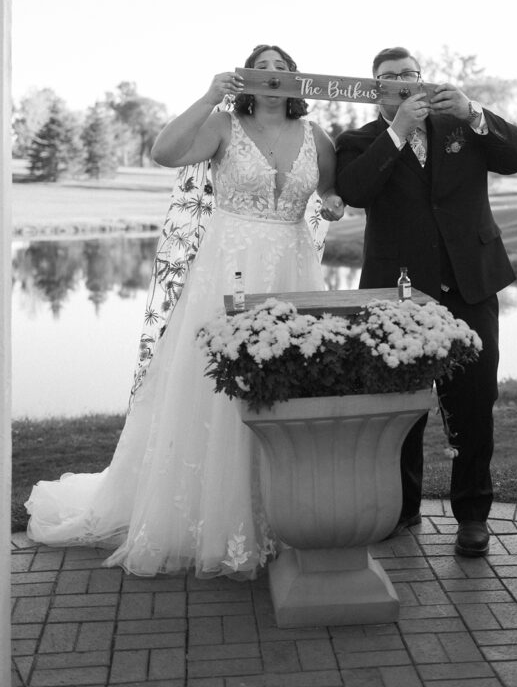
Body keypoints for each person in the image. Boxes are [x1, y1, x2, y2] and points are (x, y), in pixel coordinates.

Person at [26, 44, 344, 579]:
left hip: (292, 272)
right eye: (260, 68)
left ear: (296, 81)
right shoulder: (223, 124)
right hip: (227, 270)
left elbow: (331, 192)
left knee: (286, 387)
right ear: (245, 79)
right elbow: (165, 152)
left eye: (281, 69)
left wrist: (333, 203)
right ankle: (209, 518)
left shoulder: (318, 137)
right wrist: (207, 95)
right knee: (215, 388)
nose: (271, 76)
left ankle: (282, 514)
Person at [335, 47, 517, 556]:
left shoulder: (461, 123)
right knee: (401, 404)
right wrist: (397, 131)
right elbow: (356, 192)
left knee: (474, 402)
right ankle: (403, 508)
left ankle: (472, 515)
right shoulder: (358, 141)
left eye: (409, 74)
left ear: (421, 79)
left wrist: (472, 112)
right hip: (398, 290)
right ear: (375, 87)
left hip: (472, 281)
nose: (401, 82)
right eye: (389, 77)